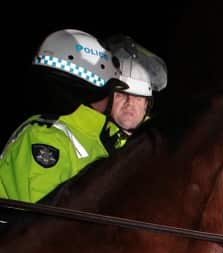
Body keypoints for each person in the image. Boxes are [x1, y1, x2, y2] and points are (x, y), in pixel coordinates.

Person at [0, 29, 125, 203]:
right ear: (98, 91)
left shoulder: (93, 138)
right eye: (114, 91)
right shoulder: (48, 138)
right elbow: (45, 224)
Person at [103, 35, 167, 147]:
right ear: (108, 99)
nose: (130, 103)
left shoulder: (161, 146)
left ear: (146, 105)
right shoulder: (89, 137)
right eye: (121, 95)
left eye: (138, 98)